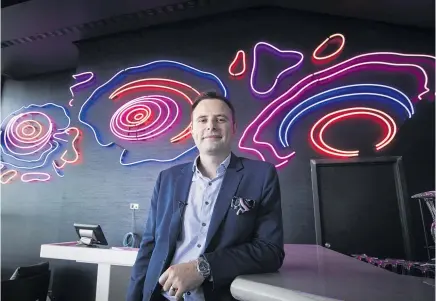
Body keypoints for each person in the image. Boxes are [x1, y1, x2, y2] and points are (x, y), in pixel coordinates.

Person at [127, 91, 285, 301]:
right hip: (159, 296)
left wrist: (203, 267)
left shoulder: (262, 175)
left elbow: (270, 251)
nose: (211, 126)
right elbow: (149, 245)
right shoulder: (167, 178)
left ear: (234, 128)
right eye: (203, 120)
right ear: (192, 130)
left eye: (221, 119)